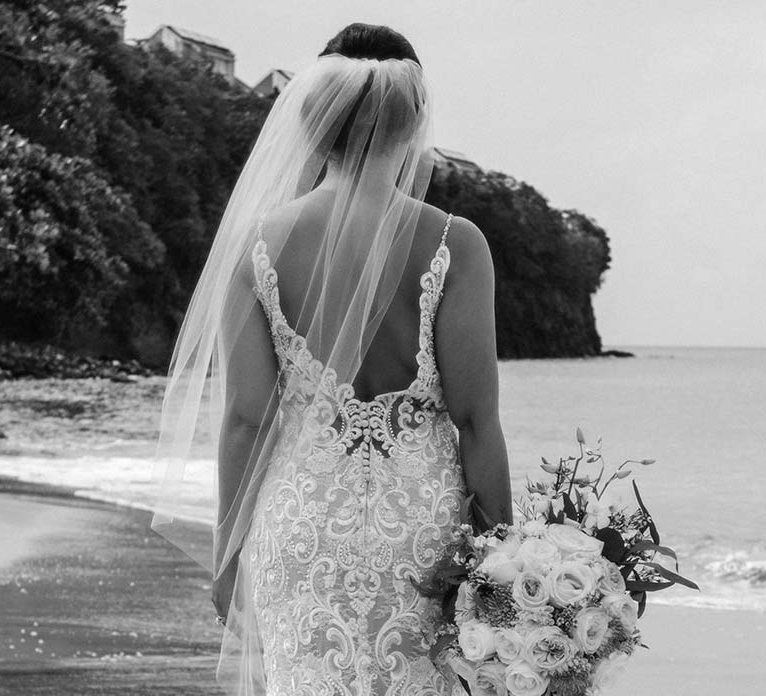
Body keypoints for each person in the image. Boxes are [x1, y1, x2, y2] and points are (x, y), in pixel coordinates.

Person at [153, 23, 513, 695]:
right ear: (413, 126)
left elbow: (244, 418)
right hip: (422, 537)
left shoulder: (257, 244)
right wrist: (506, 562)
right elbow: (476, 420)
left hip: (303, 530)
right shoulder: (456, 244)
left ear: (312, 128)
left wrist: (227, 557)